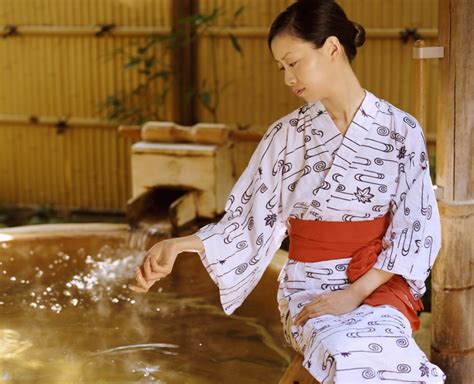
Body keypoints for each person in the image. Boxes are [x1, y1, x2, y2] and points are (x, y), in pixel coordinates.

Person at [130, 0, 446, 382]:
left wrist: (355, 293)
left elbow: (416, 229)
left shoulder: (401, 129)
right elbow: (248, 221)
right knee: (345, 355)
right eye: (281, 67)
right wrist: (180, 244)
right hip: (308, 285)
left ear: (331, 48)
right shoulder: (285, 136)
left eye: (293, 63)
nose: (287, 78)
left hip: (377, 282)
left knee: (395, 364)